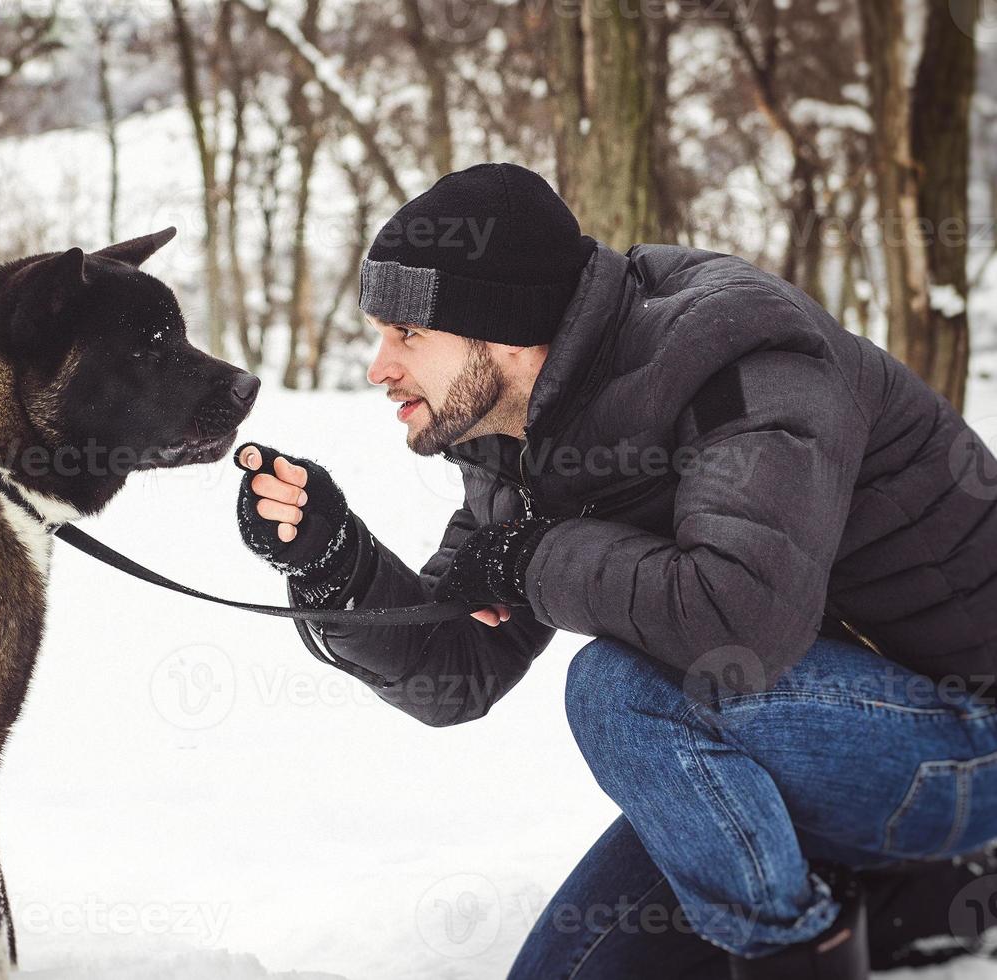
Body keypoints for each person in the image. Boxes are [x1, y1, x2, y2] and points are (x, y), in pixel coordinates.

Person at [233, 162, 997, 979]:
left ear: (505, 330)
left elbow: (741, 626)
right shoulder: (513, 430)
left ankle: (803, 947)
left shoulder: (745, 357)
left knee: (617, 687)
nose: (380, 366)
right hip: (784, 746)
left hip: (960, 739)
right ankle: (888, 887)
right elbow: (458, 673)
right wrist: (332, 565)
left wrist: (526, 559)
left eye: (407, 335)